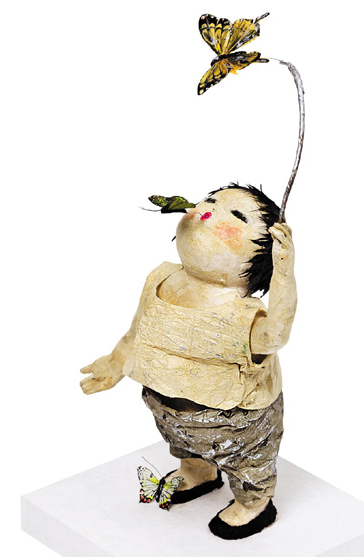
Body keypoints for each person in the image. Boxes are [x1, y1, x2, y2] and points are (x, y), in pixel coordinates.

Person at [80, 184, 297, 539]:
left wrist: (285, 277)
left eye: (237, 216)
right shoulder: (161, 279)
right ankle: (198, 472)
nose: (209, 210)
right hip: (169, 410)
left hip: (235, 421)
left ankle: (254, 502)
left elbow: (276, 336)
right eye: (210, 200)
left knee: (249, 464)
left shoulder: (244, 313)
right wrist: (116, 362)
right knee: (181, 446)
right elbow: (139, 330)